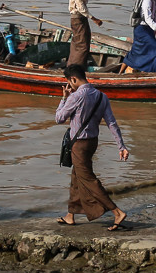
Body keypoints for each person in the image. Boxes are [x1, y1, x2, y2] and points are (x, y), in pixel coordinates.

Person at [55, 65, 129, 229]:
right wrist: (121, 146)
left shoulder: (75, 97)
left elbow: (59, 118)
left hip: (79, 145)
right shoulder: (102, 96)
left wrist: (64, 98)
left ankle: (117, 212)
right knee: (77, 176)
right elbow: (111, 123)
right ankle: (70, 214)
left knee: (88, 180)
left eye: (69, 82)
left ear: (73, 79)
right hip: (92, 143)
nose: (70, 85)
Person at [67, 0, 103, 68]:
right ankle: (77, 68)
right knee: (82, 45)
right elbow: (81, 7)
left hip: (82, 18)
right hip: (77, 18)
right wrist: (94, 19)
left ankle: (73, 65)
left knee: (82, 41)